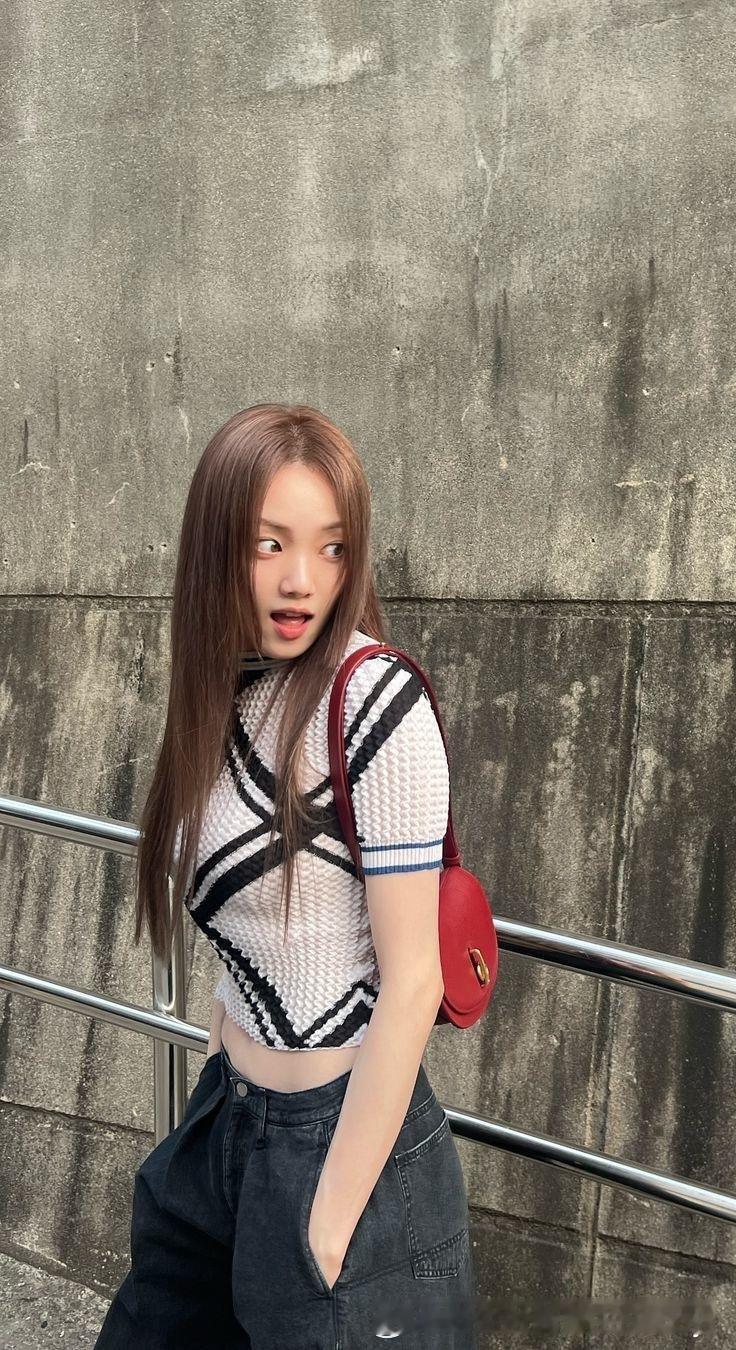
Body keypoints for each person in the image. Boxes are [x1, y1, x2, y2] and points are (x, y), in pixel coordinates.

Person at [94, 403, 477, 1349]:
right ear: (216, 546)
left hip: (344, 1150)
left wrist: (328, 1228)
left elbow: (414, 982)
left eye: (331, 547)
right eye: (269, 544)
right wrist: (225, 1055)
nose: (302, 578)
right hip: (226, 1125)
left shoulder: (374, 699)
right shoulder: (227, 689)